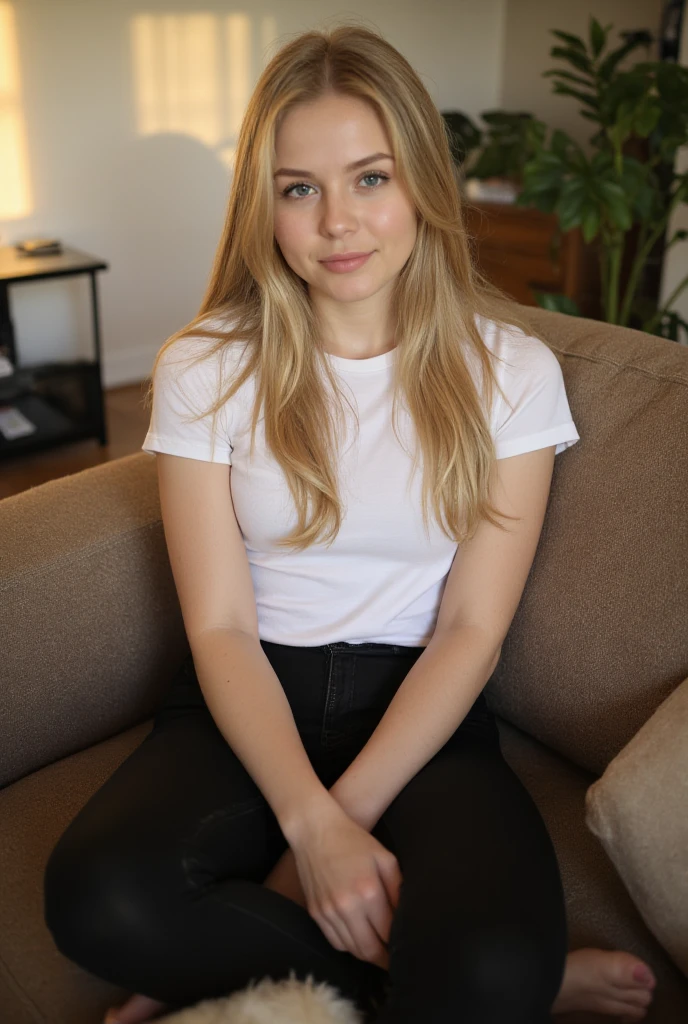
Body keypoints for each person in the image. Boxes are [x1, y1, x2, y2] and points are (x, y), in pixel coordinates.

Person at [43, 23, 658, 1024]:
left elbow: (472, 630)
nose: (338, 222)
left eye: (370, 177)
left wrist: (329, 838)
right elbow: (217, 628)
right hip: (249, 687)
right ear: (265, 205)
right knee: (96, 896)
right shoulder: (206, 364)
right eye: (299, 188)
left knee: (491, 961)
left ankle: (276, 960)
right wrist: (304, 818)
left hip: (422, 703)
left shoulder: (510, 372)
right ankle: (518, 986)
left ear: (420, 180)